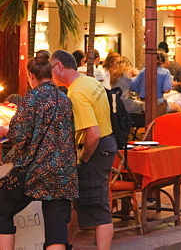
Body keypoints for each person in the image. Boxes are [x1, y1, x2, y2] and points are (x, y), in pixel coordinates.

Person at [0, 51, 76, 250]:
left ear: (31, 76)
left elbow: (20, 134)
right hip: (63, 172)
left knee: (0, 210)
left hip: (34, 171)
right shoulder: (64, 99)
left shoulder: (32, 98)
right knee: (56, 229)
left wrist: (4, 130)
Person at [50, 50, 116, 250]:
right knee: (80, 202)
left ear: (60, 66)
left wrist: (83, 158)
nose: (50, 72)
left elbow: (93, 133)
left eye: (51, 67)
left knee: (98, 206)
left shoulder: (76, 92)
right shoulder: (90, 81)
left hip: (96, 148)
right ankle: (67, 244)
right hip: (107, 143)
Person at [132, 51, 174, 116]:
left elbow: (133, 85)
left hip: (144, 103)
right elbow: (166, 89)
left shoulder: (144, 70)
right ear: (163, 61)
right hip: (158, 103)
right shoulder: (165, 72)